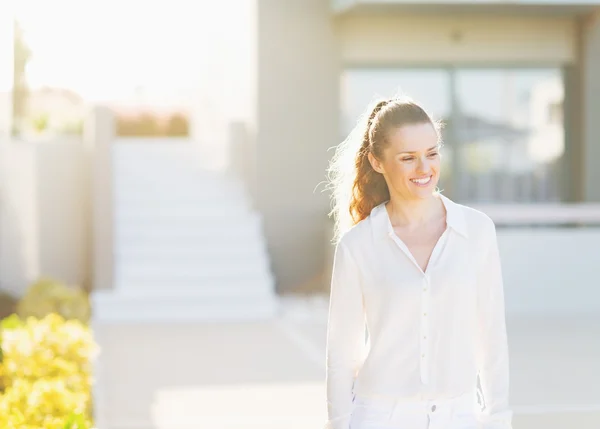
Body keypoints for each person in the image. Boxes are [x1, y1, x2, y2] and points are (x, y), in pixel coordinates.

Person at [323, 96, 512, 429]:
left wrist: (498, 419)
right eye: (408, 158)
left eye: (432, 153)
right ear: (378, 162)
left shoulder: (477, 231)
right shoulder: (358, 246)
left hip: (460, 416)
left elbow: (491, 337)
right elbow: (341, 355)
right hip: (379, 417)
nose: (425, 169)